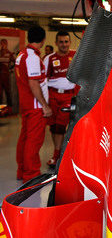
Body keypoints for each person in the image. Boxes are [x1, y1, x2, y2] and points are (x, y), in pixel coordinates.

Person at [15, 26, 52, 182]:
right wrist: (45, 105)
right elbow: (34, 84)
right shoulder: (32, 58)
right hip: (35, 106)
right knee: (34, 140)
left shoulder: (21, 55)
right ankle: (31, 175)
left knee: (25, 138)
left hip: (26, 104)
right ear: (43, 40)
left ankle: (22, 170)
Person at [44, 31, 77, 167]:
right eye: (61, 42)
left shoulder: (76, 56)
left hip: (69, 96)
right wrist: (45, 101)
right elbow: (43, 80)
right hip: (52, 95)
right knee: (53, 127)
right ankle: (57, 153)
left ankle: (58, 155)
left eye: (66, 42)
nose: (64, 44)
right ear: (56, 43)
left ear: (70, 42)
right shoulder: (49, 58)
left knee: (61, 126)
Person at [0, 38, 15, 111]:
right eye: (1, 43)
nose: (3, 45)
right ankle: (1, 110)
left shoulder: (9, 53)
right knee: (0, 94)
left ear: (6, 44)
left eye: (4, 43)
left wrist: (11, 69)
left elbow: (15, 62)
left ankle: (9, 109)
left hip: (6, 75)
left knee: (7, 92)